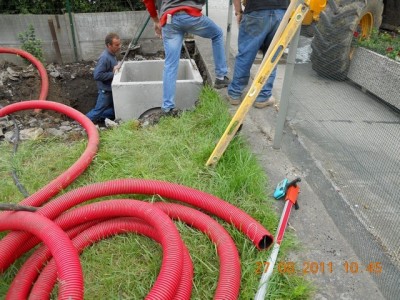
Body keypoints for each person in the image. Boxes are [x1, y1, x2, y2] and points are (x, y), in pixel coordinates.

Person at [142, 0, 230, 114]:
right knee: (217, 34)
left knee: (170, 65)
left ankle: (167, 108)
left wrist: (156, 20)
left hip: (169, 19)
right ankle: (221, 77)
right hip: (190, 16)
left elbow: (148, 1)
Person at [227, 0, 289, 108]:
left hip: (255, 10)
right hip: (281, 12)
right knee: (272, 55)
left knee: (246, 54)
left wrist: (238, 12)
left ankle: (235, 94)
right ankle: (263, 97)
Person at [86, 32, 121, 124]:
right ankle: (82, 123)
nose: (119, 46)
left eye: (119, 44)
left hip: (110, 89)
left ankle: (98, 118)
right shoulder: (104, 58)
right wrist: (113, 73)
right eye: (116, 45)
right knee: (98, 111)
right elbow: (97, 75)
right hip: (105, 91)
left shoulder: (111, 55)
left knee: (115, 110)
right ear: (109, 45)